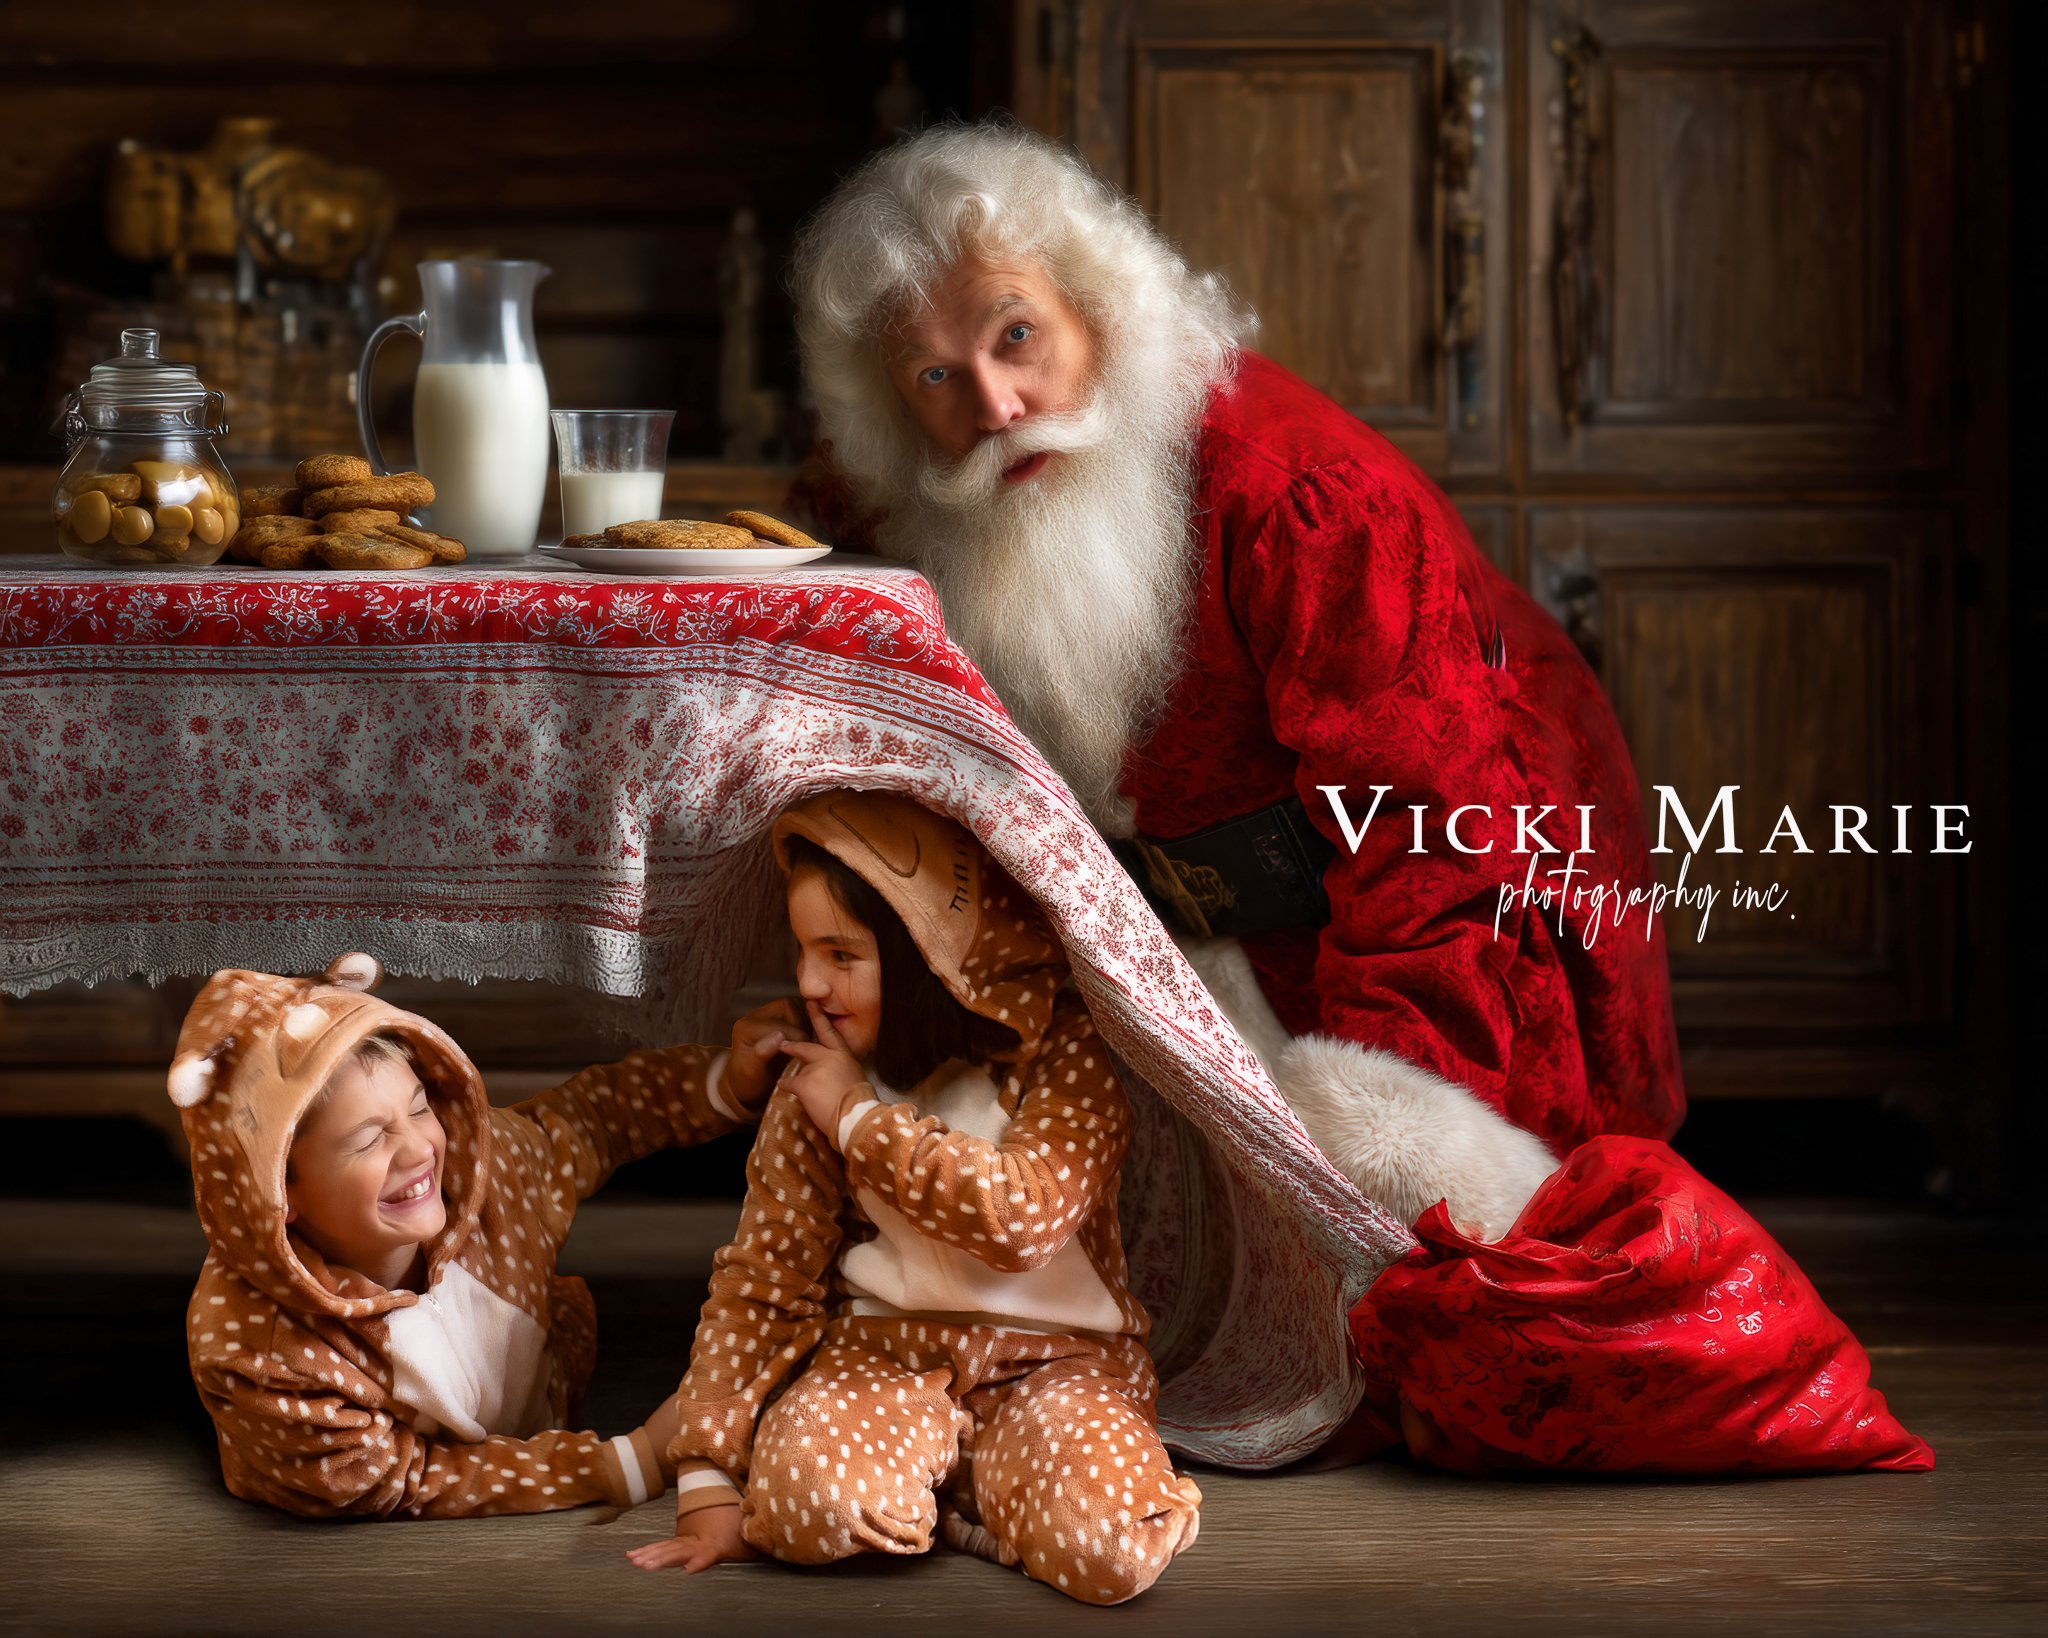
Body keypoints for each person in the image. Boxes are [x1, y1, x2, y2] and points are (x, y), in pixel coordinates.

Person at [786, 120, 1684, 1235]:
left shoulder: (1304, 501)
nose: (995, 404)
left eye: (1017, 335)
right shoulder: (945, 491)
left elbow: (1433, 832)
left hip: (1434, 919)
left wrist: (1392, 1154)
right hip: (1189, 947)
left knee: (1431, 1311)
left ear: (1094, 309)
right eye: (935, 373)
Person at [627, 790, 1202, 1605]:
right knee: (805, 1508)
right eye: (801, 952)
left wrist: (860, 1120)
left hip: (1056, 1368)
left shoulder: (1060, 1050)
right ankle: (961, 1499)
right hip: (880, 1359)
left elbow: (1020, 1221)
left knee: (1114, 1547)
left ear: (931, 954)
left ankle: (967, 1507)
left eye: (842, 954)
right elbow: (762, 1282)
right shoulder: (814, 1077)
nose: (811, 982)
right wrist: (707, 1477)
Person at [168, 951, 794, 1518]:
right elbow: (397, 1479)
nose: (417, 1149)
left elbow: (598, 1119)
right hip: (342, 1473)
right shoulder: (263, 1354)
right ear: (283, 1194)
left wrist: (729, 1083)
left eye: (418, 1108)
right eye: (367, 1140)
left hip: (536, 1392)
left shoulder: (489, 1176)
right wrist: (626, 1461)